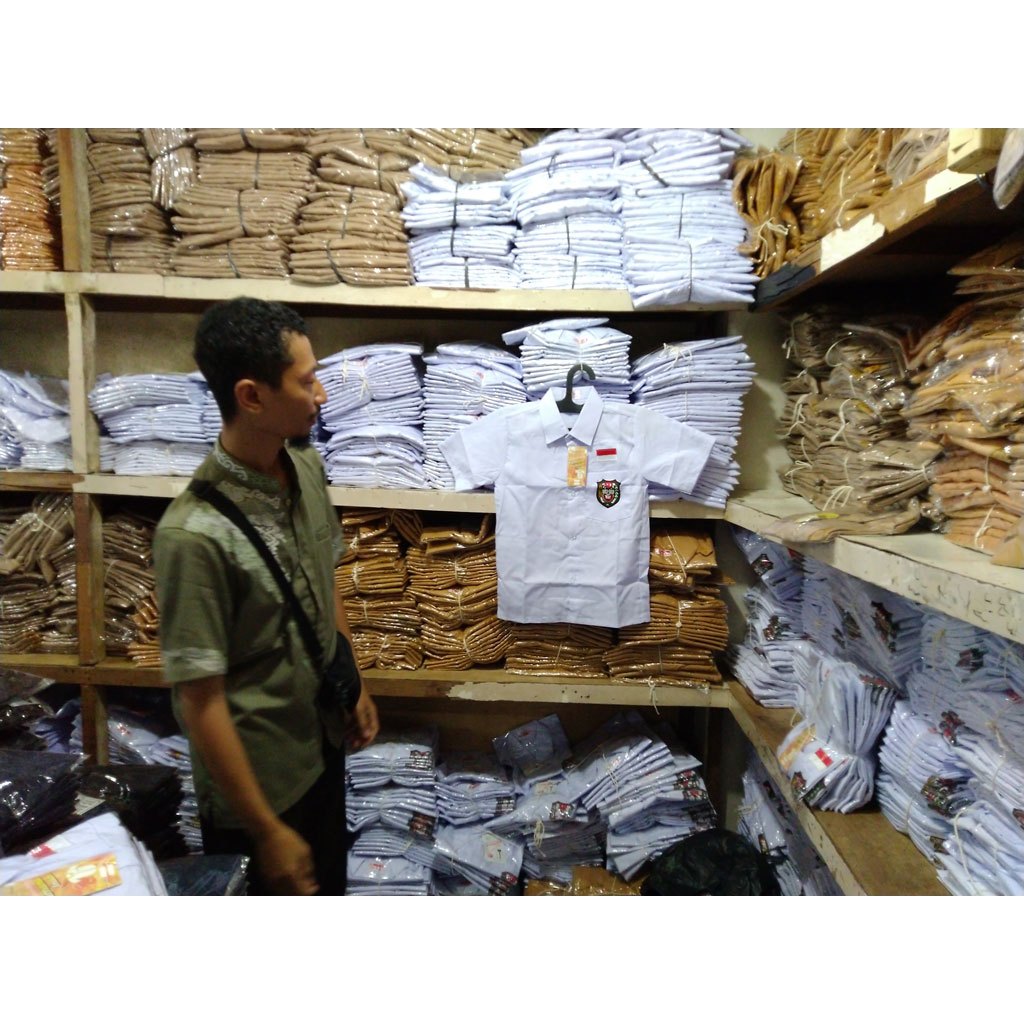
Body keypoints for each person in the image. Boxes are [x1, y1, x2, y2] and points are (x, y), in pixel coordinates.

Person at [153, 297, 379, 895]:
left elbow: (324, 573)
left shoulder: (305, 469)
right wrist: (266, 829)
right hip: (260, 791)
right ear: (252, 397)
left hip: (321, 748)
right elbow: (199, 701)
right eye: (306, 382)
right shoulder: (193, 535)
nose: (321, 395)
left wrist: (352, 678)